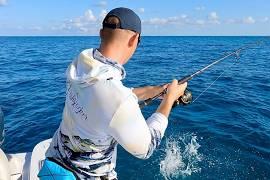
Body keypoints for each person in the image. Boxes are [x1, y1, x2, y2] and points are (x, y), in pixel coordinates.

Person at [44, 7, 187, 179]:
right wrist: (169, 100)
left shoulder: (80, 65)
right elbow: (146, 148)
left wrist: (157, 90)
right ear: (134, 39)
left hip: (53, 168)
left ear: (101, 33)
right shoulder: (118, 99)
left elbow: (110, 95)